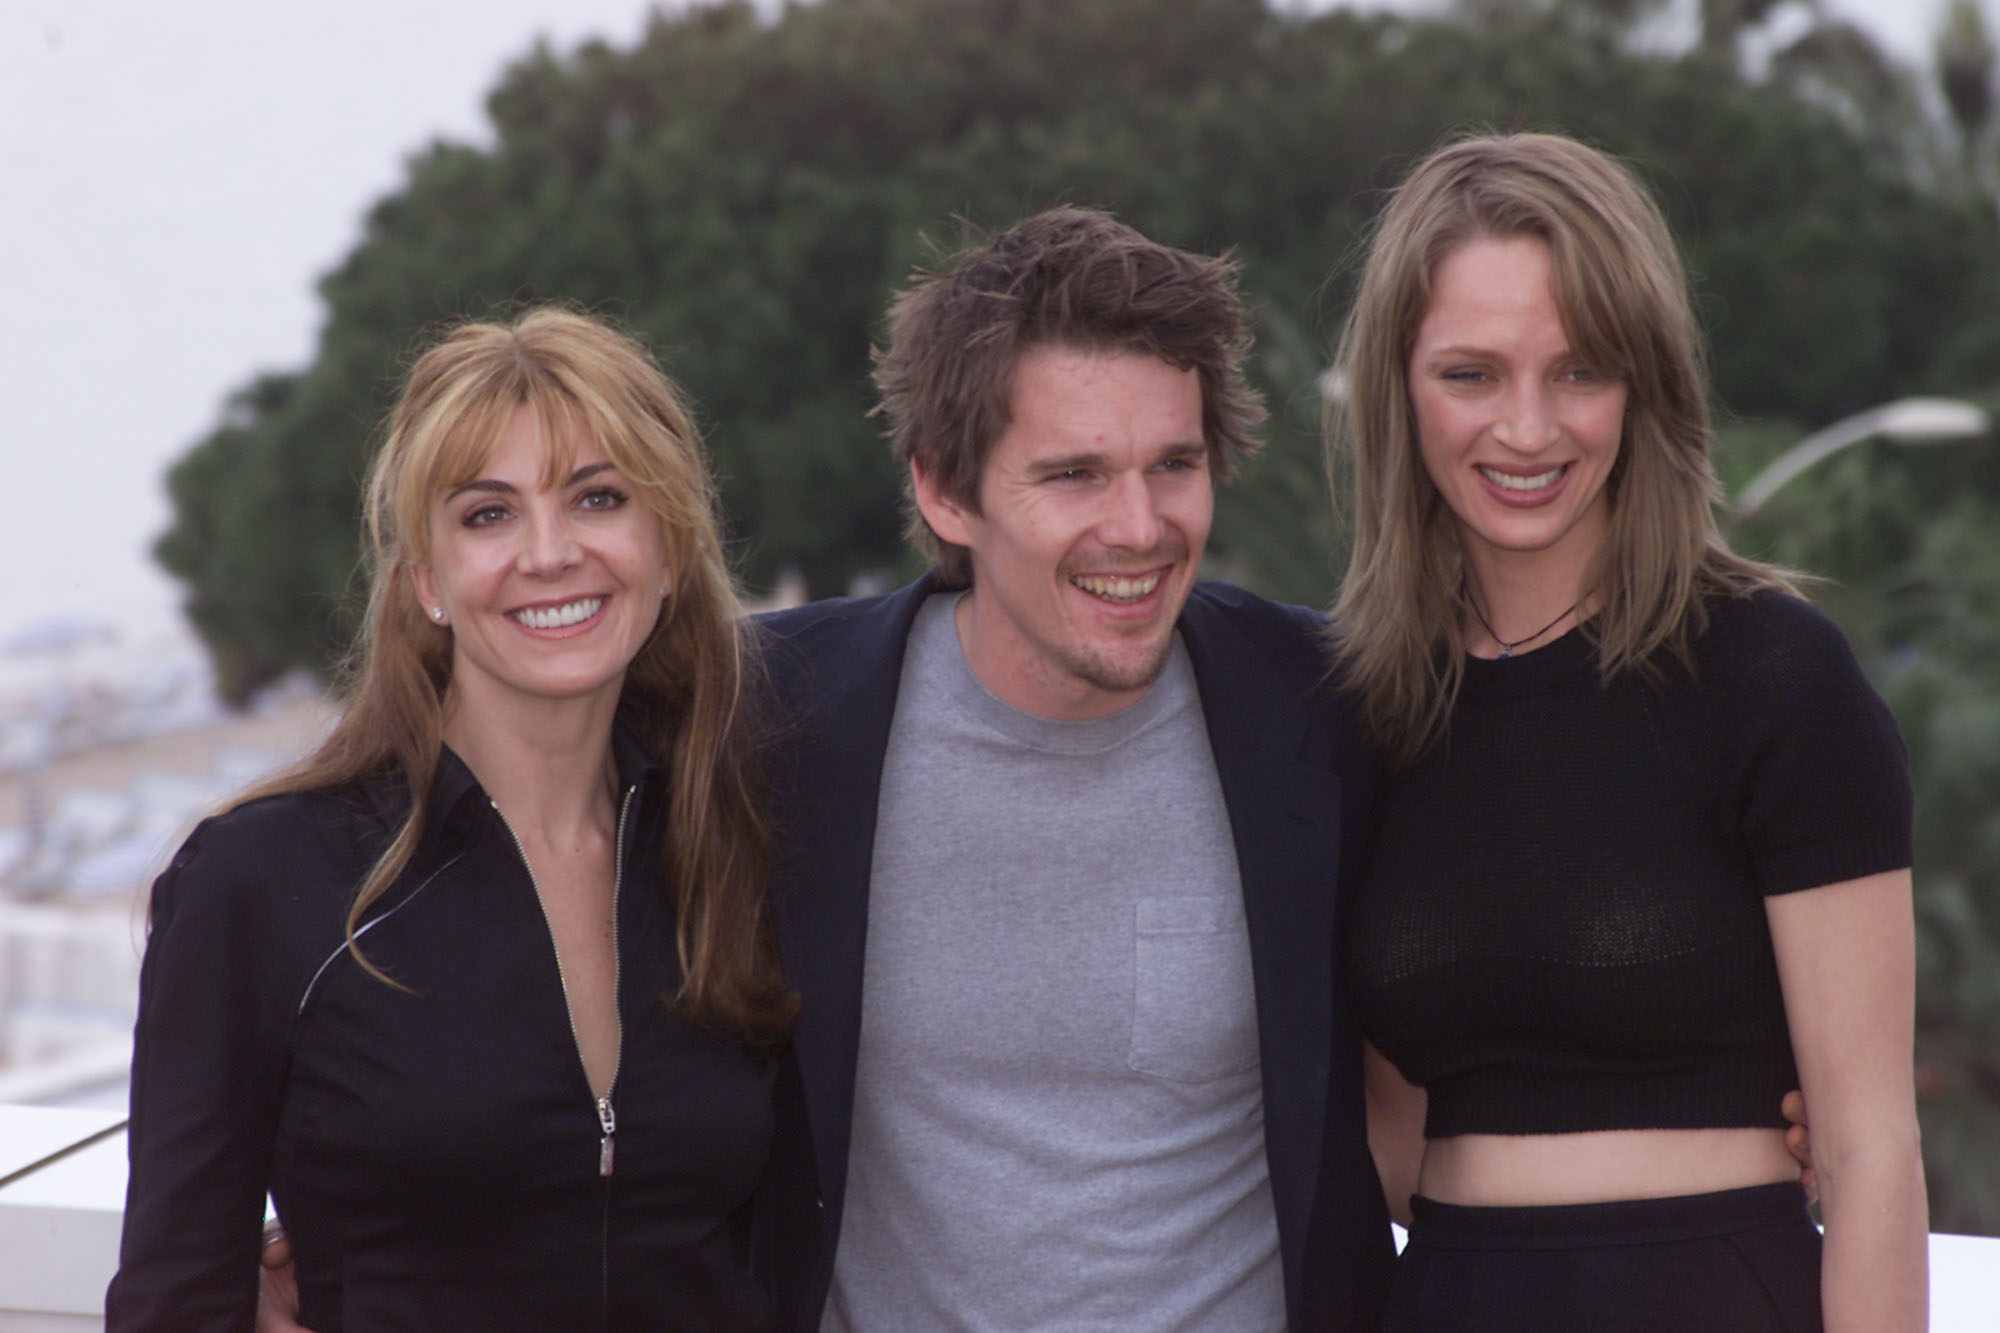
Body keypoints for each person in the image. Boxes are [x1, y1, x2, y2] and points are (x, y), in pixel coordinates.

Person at [753, 207, 1394, 1328]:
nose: (1138, 527)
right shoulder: (778, 720)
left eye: (1173, 465)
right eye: (1075, 475)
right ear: (945, 492)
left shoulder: (1327, 711)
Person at [107, 307, 807, 1331]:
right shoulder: (261, 879)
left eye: (599, 498)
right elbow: (173, 1302)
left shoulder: (735, 847)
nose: (549, 553)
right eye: (488, 514)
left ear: (669, 549)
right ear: (427, 580)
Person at [1332, 132, 1927, 1330]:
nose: (1526, 429)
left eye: (1577, 370)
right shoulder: (1361, 706)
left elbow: (1868, 1147)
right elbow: (1369, 1141)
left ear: (1641, 382)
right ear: (1396, 388)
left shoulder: (1769, 674)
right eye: (1469, 374)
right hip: (1443, 1295)